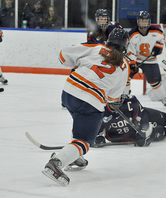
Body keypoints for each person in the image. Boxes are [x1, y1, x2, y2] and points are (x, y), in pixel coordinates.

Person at [42, 28, 131, 186]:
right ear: (125, 45)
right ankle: (57, 163)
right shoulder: (124, 65)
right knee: (84, 141)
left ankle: (73, 156)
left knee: (79, 120)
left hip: (69, 92)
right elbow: (113, 97)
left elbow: (63, 56)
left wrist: (77, 64)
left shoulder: (96, 48)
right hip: (91, 101)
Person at [93, 94, 166, 148]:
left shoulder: (130, 102)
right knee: (157, 131)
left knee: (150, 114)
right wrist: (97, 138)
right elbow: (97, 129)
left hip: (136, 129)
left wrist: (144, 133)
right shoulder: (100, 108)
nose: (116, 99)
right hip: (119, 136)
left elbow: (142, 118)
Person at [127, 11, 166, 107]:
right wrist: (132, 63)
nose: (144, 23)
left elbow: (162, 37)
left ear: (149, 22)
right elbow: (130, 51)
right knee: (125, 78)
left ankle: (163, 98)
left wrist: (159, 47)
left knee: (155, 82)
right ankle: (124, 96)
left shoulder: (157, 31)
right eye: (142, 21)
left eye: (146, 21)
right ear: (138, 22)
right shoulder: (132, 34)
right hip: (136, 60)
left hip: (151, 60)